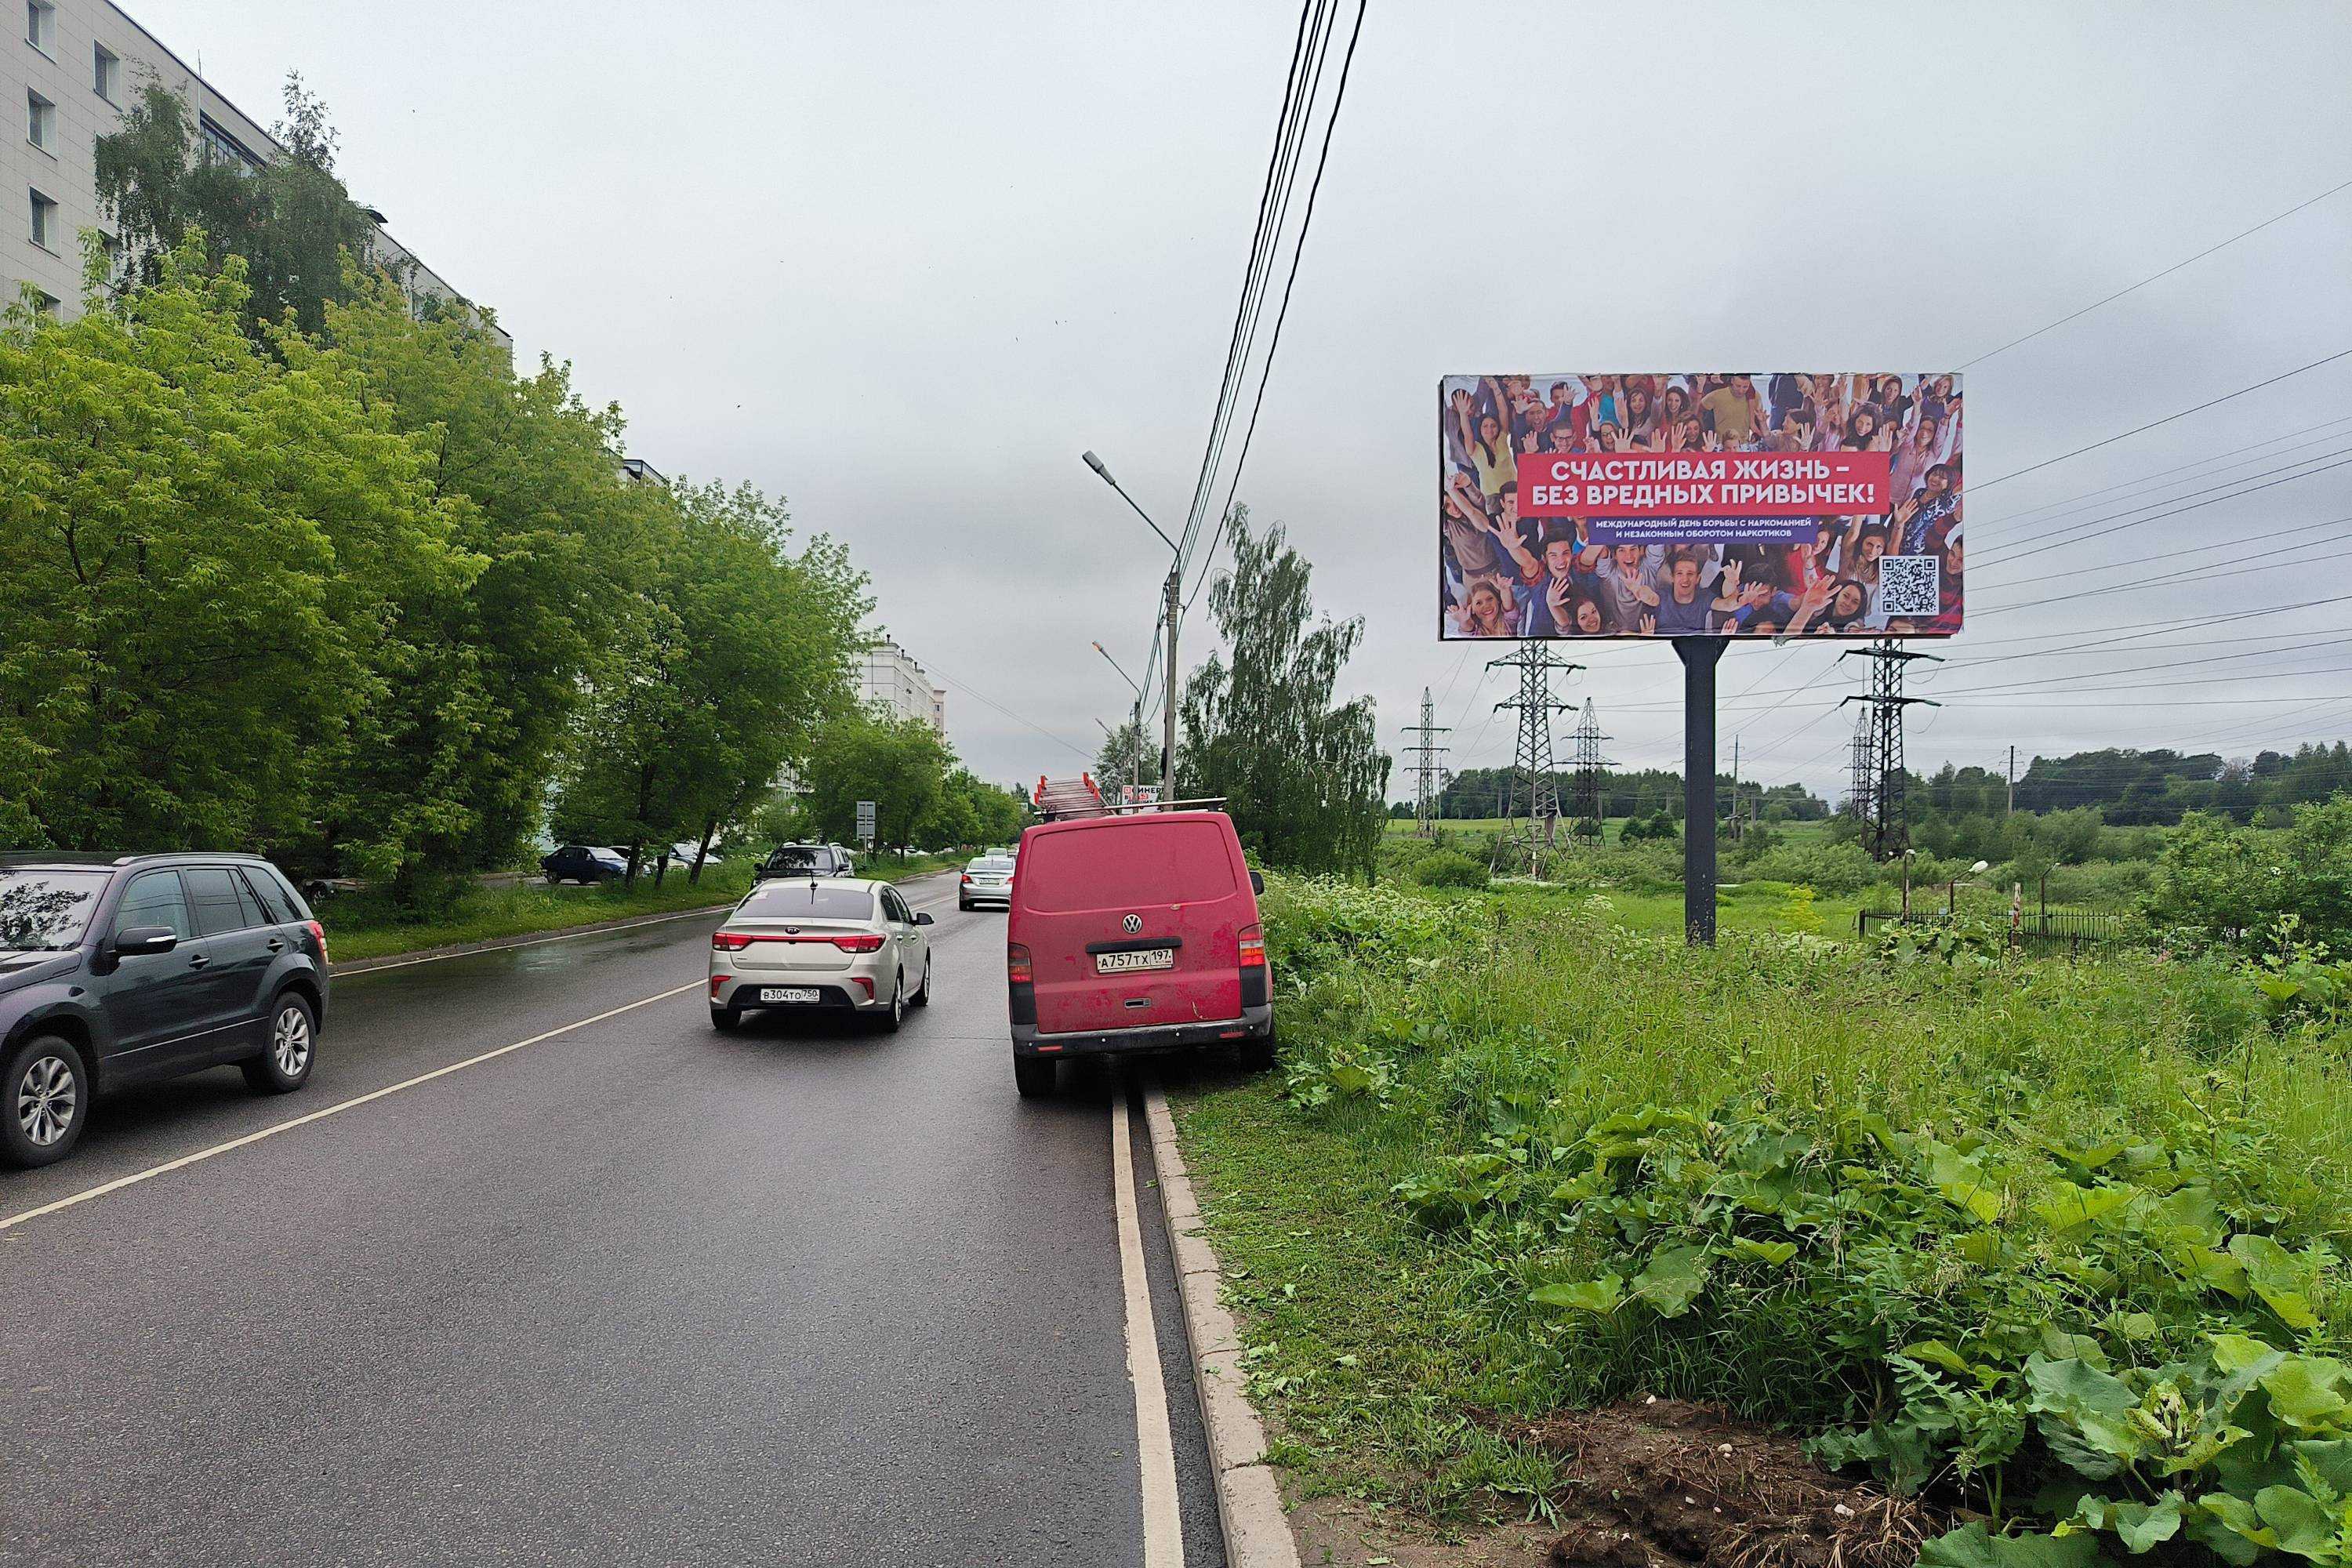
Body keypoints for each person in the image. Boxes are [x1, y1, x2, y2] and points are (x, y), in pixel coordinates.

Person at [1700, 373, 1766, 447]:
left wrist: (1756, 435)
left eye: (1745, 387)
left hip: (1743, 446)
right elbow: (1699, 410)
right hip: (1721, 445)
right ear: (1732, 381)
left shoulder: (1756, 397)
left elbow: (1757, 421)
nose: (1741, 391)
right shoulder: (1716, 396)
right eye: (1738, 386)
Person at [1450, 576, 1517, 637]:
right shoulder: (1475, 630)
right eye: (1479, 603)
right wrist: (1463, 621)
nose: (1486, 605)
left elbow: (1508, 607)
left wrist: (1505, 590)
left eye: (1490, 599)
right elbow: (1468, 629)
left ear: (1498, 601)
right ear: (1472, 609)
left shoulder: (1507, 620)